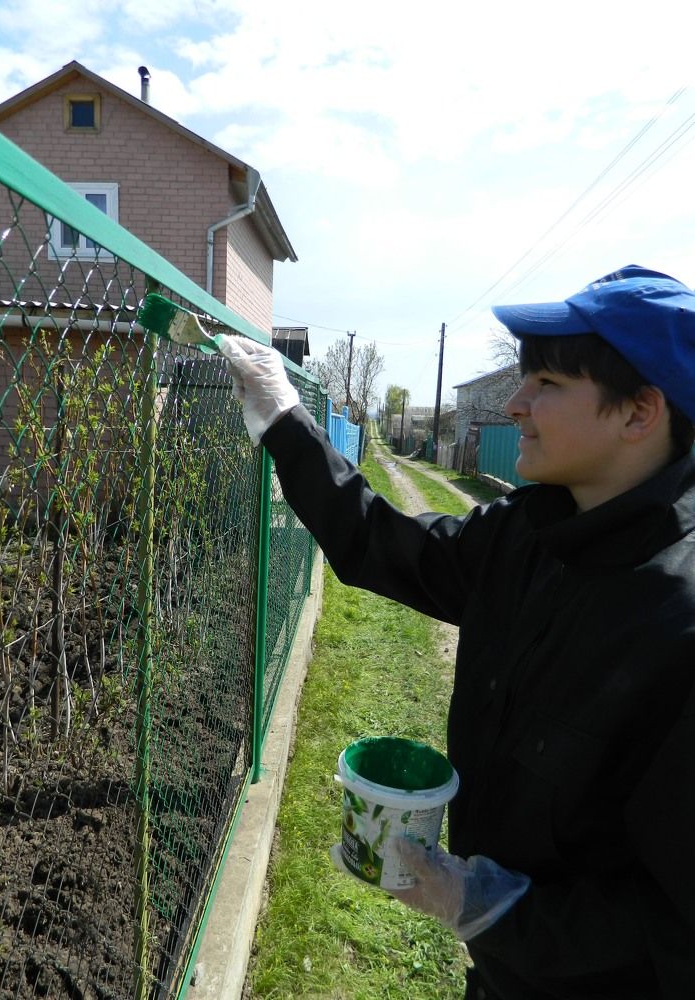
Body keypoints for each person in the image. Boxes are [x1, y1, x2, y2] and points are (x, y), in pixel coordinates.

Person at [219, 264, 695, 1000]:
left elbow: (675, 924)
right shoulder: (529, 536)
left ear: (639, 413)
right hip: (500, 977)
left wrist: (500, 908)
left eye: (547, 385)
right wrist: (287, 425)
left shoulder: (678, 622)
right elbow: (382, 544)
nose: (514, 405)